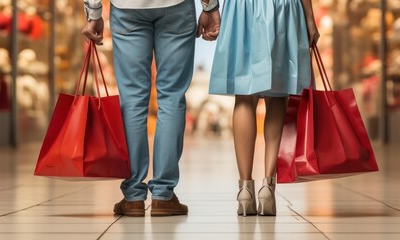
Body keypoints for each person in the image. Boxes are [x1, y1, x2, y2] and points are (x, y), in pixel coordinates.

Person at [82, 0, 220, 217]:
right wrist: (210, 7)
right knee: (172, 97)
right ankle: (163, 195)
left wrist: (93, 11)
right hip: (176, 6)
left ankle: (133, 196)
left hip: (127, 8)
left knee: (132, 99)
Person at [209, 0, 319, 216]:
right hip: (283, 8)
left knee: (244, 98)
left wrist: (209, 8)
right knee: (278, 96)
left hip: (241, 9)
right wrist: (309, 18)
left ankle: (244, 190)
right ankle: (268, 187)